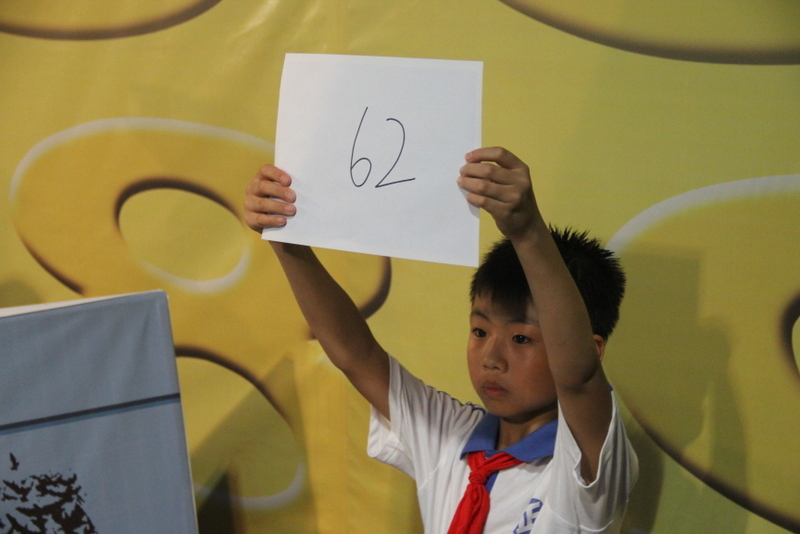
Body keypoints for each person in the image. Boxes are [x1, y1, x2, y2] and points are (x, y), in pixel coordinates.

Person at [243, 147, 638, 533]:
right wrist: (285, 239)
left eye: (521, 338)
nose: (491, 357)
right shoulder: (453, 435)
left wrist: (529, 233)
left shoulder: (585, 467)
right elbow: (356, 355)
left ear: (592, 350)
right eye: (480, 331)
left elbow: (579, 379)